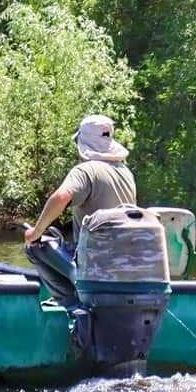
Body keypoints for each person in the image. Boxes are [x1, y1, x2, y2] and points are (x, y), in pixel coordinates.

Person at [23, 115, 137, 305]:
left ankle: (71, 304)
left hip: (92, 260)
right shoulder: (126, 173)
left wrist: (36, 232)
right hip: (123, 258)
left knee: (34, 247)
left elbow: (60, 197)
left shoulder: (85, 171)